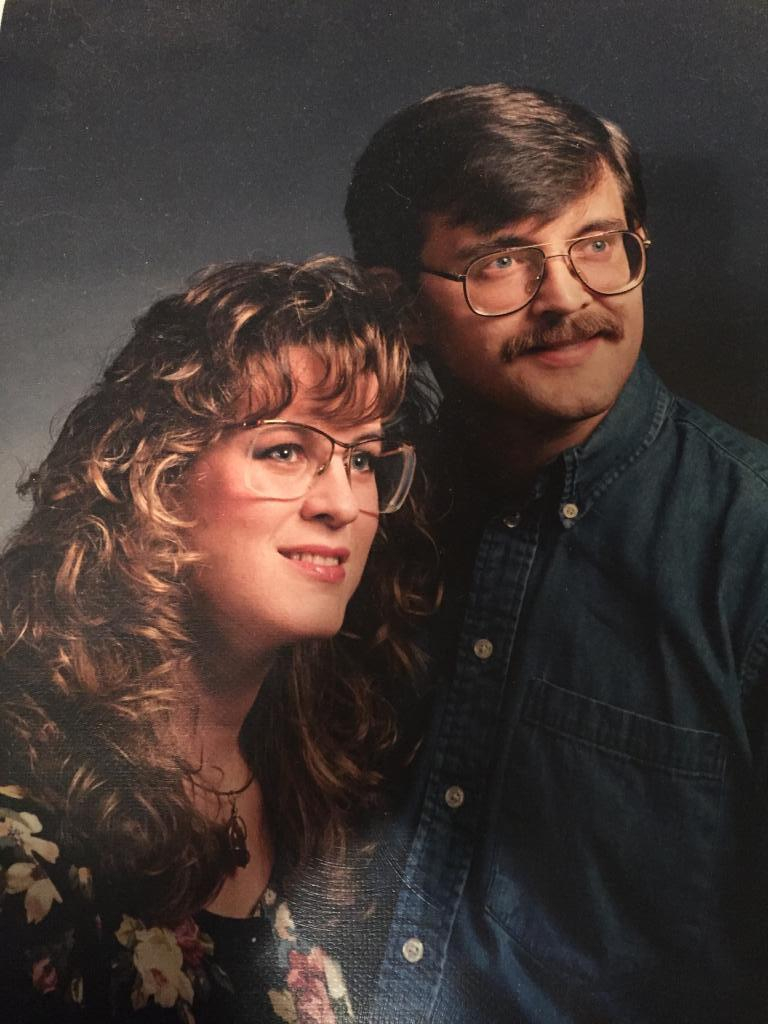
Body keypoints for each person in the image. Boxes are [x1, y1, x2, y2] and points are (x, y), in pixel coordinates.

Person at [344, 84, 768, 1023]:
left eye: (598, 244)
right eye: (502, 260)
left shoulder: (753, 549)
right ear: (397, 304)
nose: (569, 298)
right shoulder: (343, 514)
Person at [0, 256, 431, 1022]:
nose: (340, 503)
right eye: (286, 450)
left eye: (363, 459)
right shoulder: (26, 826)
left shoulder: (319, 783)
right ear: (159, 475)